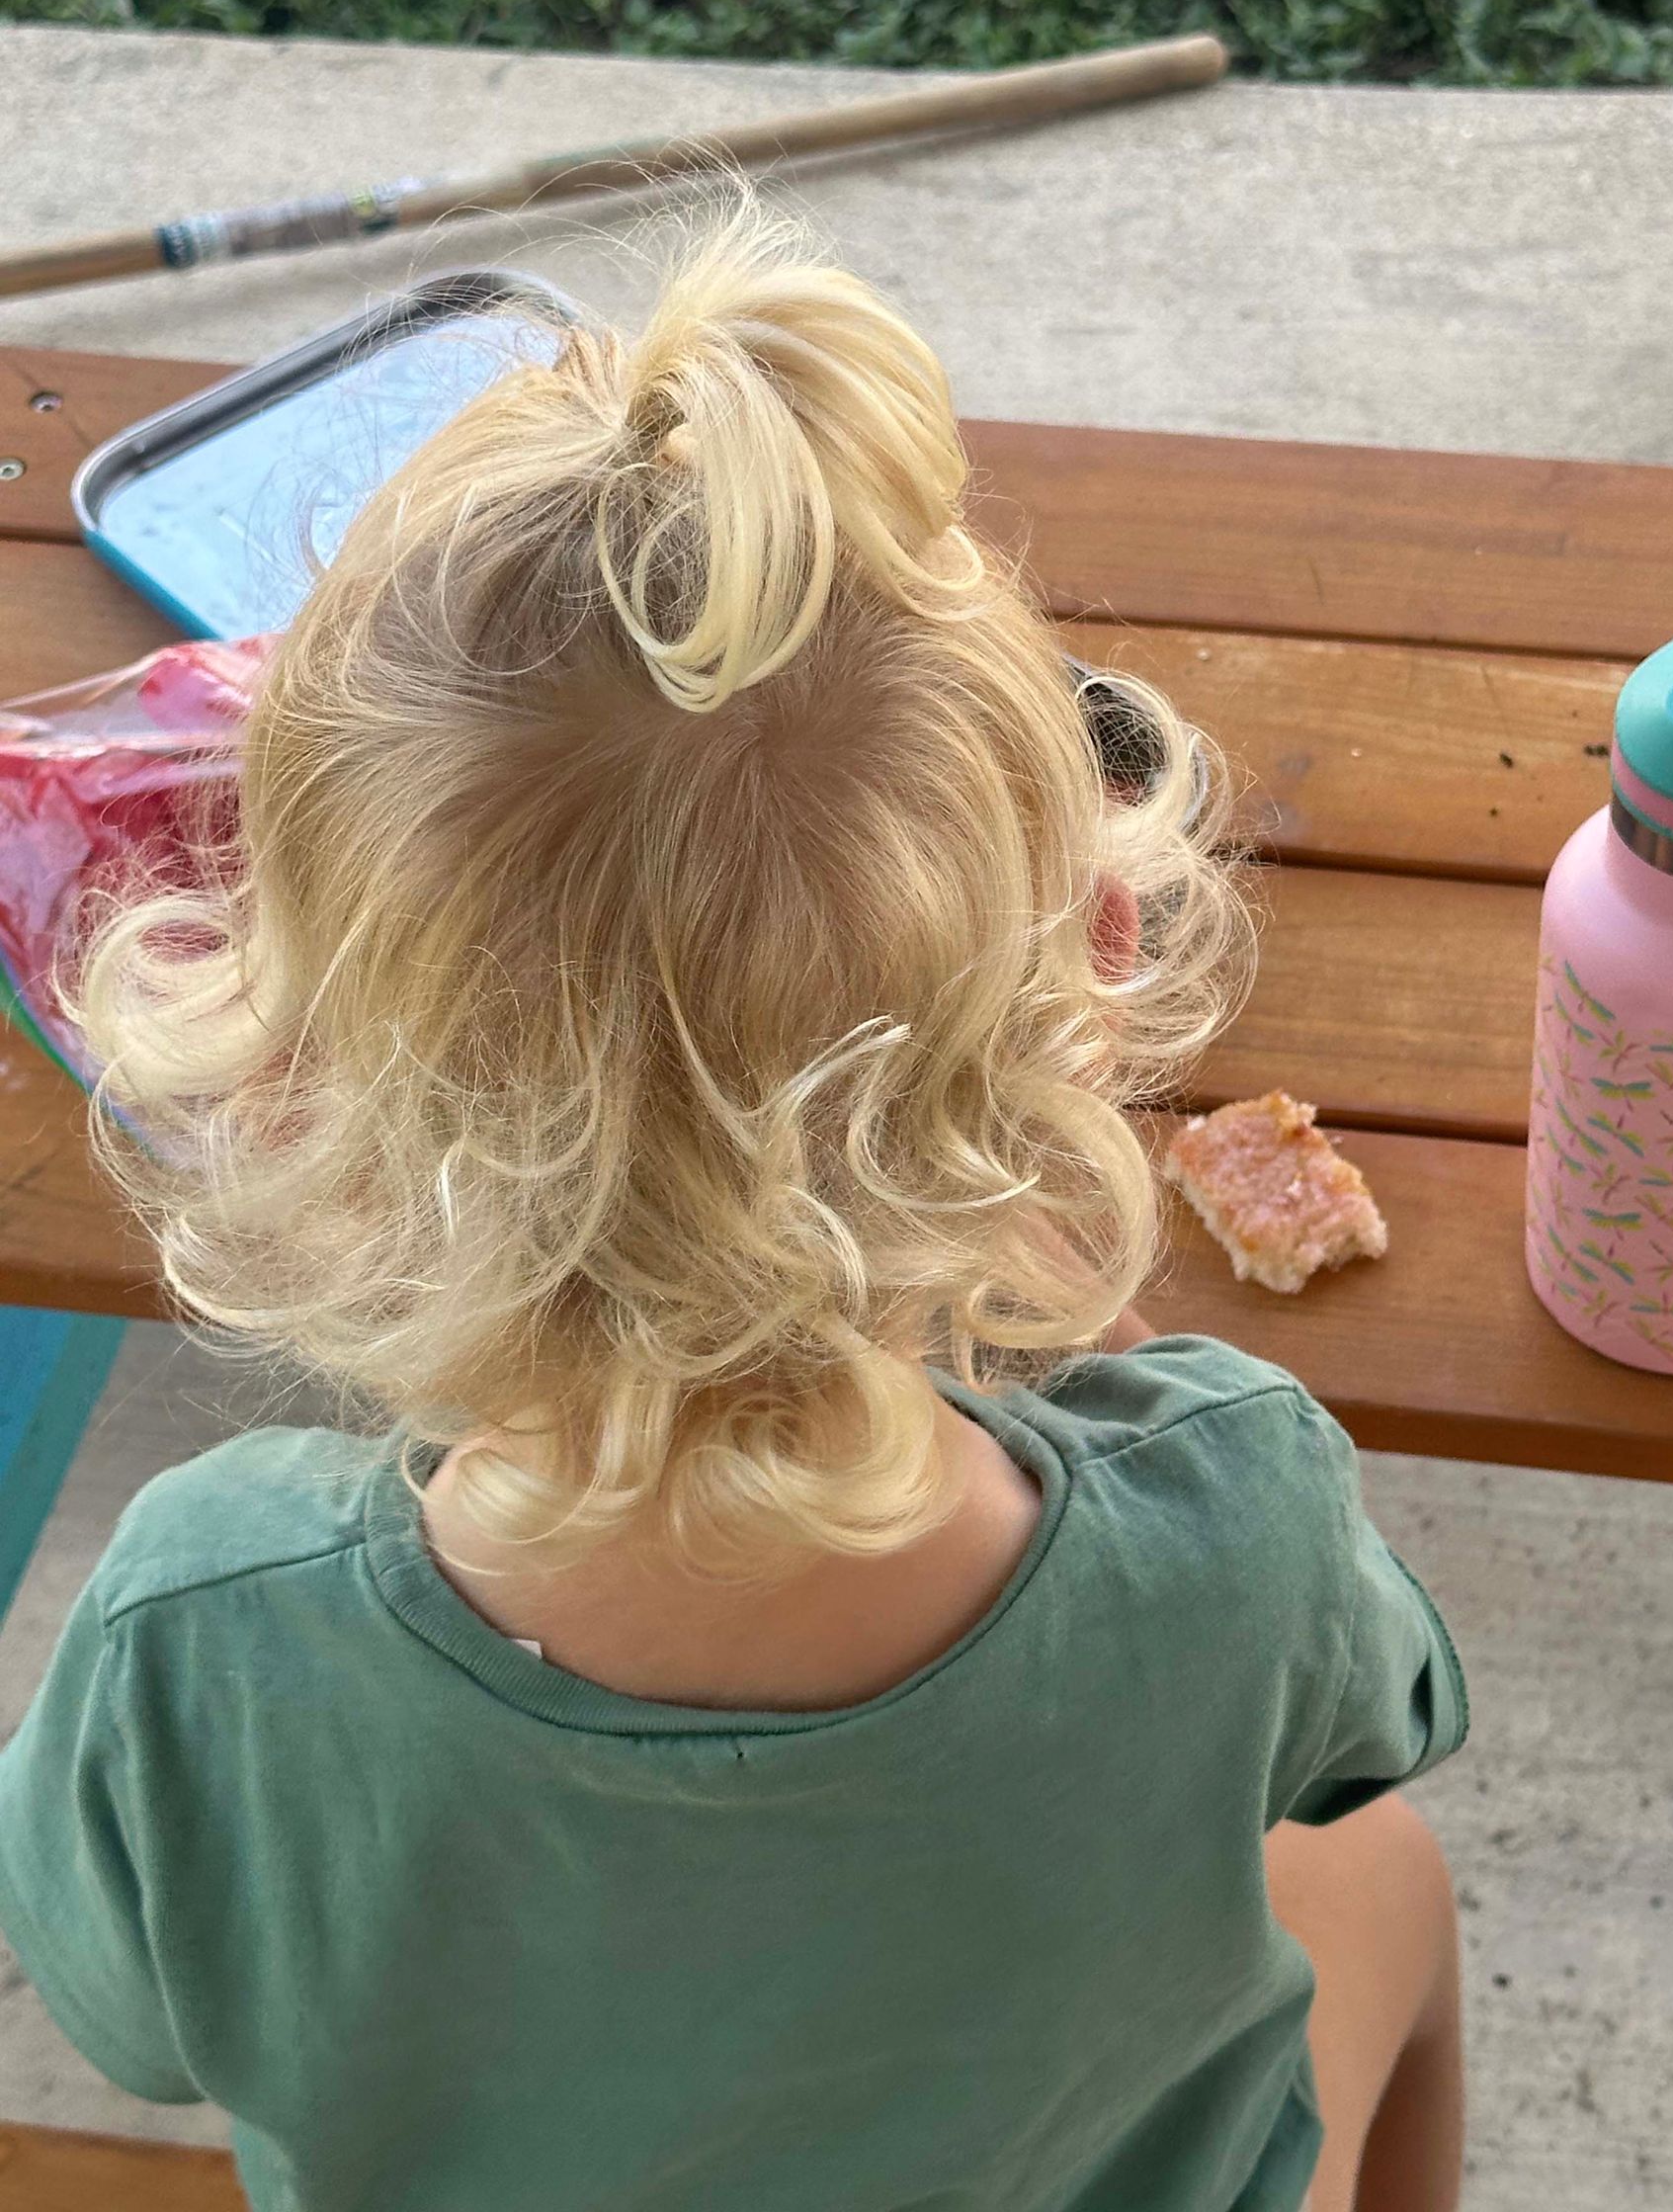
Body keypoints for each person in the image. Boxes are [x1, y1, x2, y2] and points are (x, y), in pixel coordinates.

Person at [0, 210, 1466, 2212]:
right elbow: (1366, 1730)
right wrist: (1105, 1353)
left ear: (291, 1065)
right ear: (1096, 965)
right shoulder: (1231, 1511)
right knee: (1380, 1868)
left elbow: (144, 2015)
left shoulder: (199, 1631)